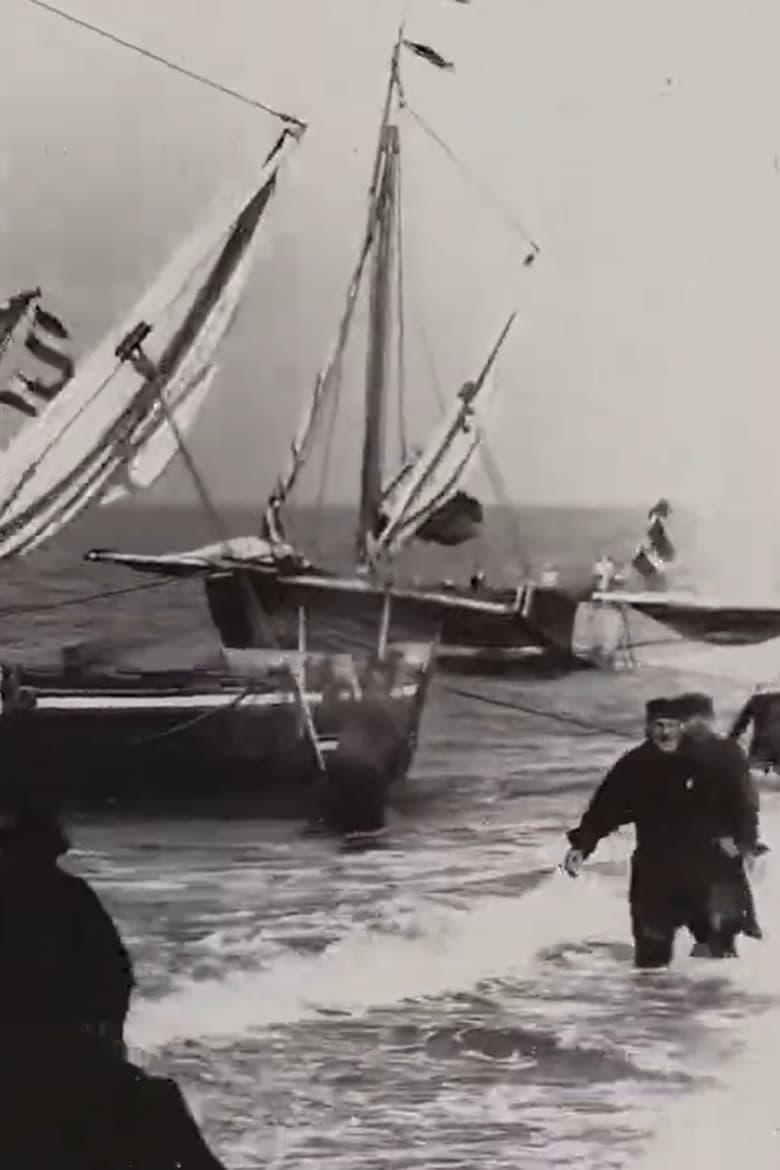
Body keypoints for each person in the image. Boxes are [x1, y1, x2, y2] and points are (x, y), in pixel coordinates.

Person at [0, 797, 228, 1169]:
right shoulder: (69, 896)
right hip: (59, 1056)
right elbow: (116, 976)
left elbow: (115, 976)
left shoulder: (68, 897)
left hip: (60, 1054)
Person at [562, 696, 762, 968]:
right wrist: (582, 846)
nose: (665, 732)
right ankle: (655, 1006)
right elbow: (605, 808)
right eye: (658, 725)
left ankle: (713, 1008)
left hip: (713, 868)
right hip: (656, 874)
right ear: (647, 727)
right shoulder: (635, 764)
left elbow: (744, 808)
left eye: (671, 725)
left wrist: (744, 849)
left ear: (683, 726)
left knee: (718, 958)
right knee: (651, 962)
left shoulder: (720, 757)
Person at [675, 691, 765, 948]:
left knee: (727, 889)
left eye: (687, 720)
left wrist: (747, 843)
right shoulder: (683, 754)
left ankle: (739, 942)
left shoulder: (727, 752)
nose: (682, 727)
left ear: (703, 719)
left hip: (724, 838)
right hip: (695, 841)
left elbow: (746, 800)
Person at [320, 655, 407, 839]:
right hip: (360, 773)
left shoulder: (366, 706)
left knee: (341, 832)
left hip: (349, 770)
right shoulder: (389, 709)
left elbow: (328, 714)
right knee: (364, 835)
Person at [729, 683, 780, 772]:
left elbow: (740, 725)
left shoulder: (757, 699)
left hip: (761, 748)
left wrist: (730, 742)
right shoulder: (758, 700)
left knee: (753, 778)